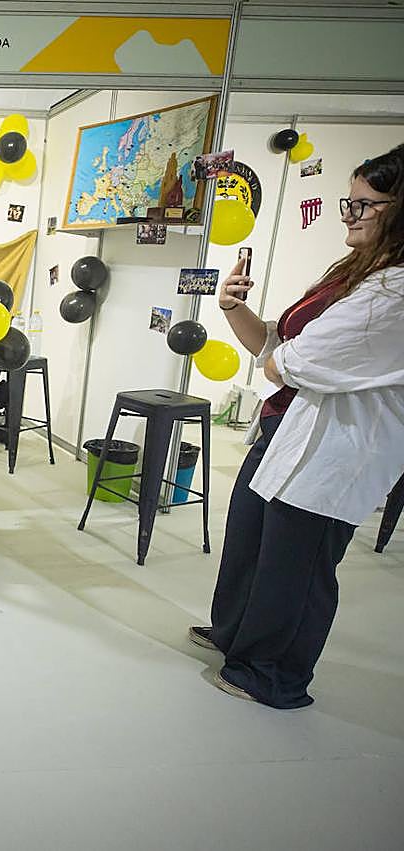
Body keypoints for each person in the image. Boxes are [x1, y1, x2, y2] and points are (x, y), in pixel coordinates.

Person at [194, 144, 404, 709]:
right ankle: (236, 637)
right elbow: (279, 342)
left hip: (338, 448)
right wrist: (233, 309)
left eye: (364, 205)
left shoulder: (394, 290)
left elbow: (295, 361)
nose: (349, 215)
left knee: (299, 566)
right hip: (287, 428)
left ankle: (276, 676)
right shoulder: (357, 273)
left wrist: (284, 357)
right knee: (250, 542)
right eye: (349, 202)